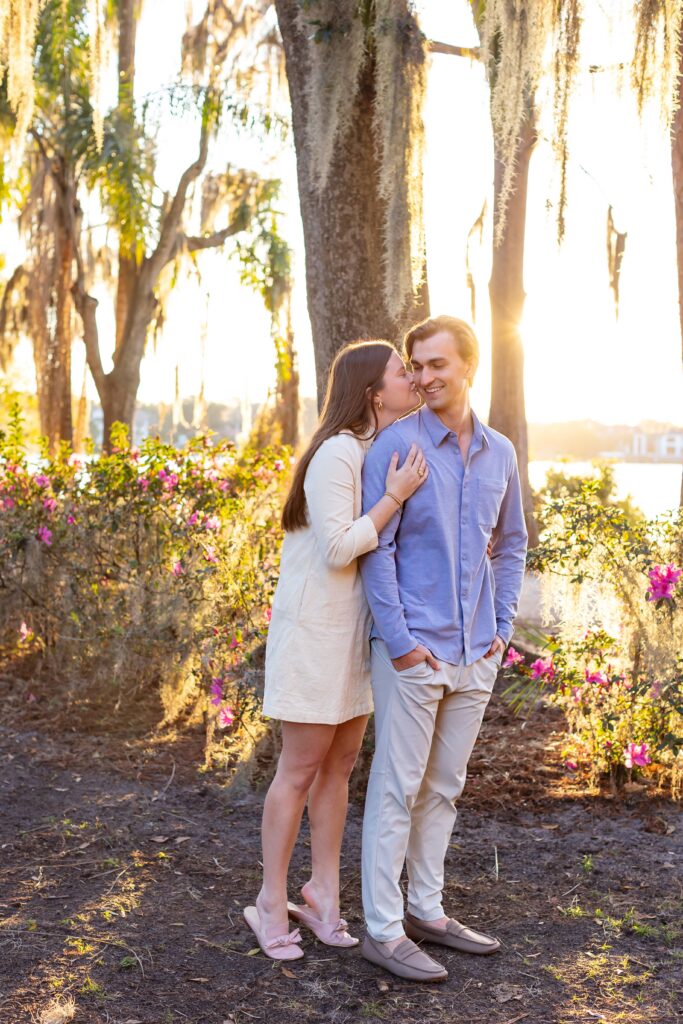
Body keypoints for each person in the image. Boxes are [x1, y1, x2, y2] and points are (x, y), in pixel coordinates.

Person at [244, 340, 428, 961]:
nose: (413, 379)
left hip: (354, 637)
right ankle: (270, 900)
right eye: (403, 372)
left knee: (340, 766)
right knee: (298, 769)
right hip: (313, 636)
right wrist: (396, 497)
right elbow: (339, 546)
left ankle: (323, 892)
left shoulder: (377, 451)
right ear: (374, 393)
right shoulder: (337, 453)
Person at [359, 315, 528, 982]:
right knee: (396, 791)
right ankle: (380, 928)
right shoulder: (394, 449)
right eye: (415, 365)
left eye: (437, 365)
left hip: (474, 652)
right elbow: (378, 551)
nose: (424, 377)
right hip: (413, 654)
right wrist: (399, 645)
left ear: (468, 367)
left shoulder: (500, 453)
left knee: (443, 789)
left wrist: (502, 627)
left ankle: (425, 910)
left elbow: (511, 543)